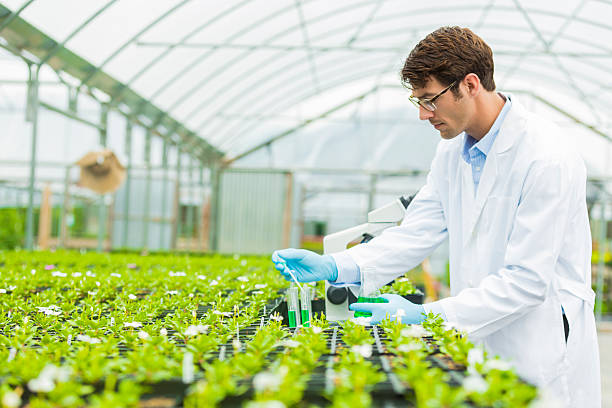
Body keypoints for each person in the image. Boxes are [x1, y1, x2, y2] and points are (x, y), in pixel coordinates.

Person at [272, 26, 600, 407]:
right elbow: (416, 233)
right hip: (478, 338)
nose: (424, 115)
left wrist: (425, 316)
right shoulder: (452, 152)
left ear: (471, 84)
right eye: (418, 102)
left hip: (538, 342)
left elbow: (527, 282)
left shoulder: (546, 158)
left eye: (430, 100)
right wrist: (336, 265)